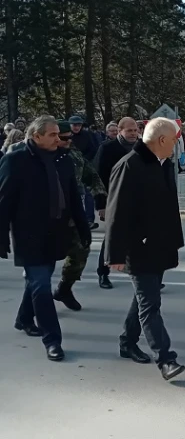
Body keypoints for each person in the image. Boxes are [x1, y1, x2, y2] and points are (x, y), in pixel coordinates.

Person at [0, 115, 91, 362]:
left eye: (57, 134)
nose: (57, 138)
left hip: (56, 232)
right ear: (36, 136)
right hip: (28, 235)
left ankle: (24, 318)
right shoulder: (15, 160)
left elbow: (73, 197)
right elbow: (4, 201)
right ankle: (53, 340)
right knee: (41, 285)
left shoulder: (63, 160)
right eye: (51, 134)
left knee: (36, 281)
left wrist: (84, 228)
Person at [104, 117, 185, 381]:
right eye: (174, 140)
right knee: (150, 303)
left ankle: (127, 342)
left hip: (160, 246)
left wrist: (175, 240)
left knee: (144, 298)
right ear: (161, 140)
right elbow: (117, 213)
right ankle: (166, 359)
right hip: (138, 248)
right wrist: (114, 254)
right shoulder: (129, 166)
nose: (176, 145)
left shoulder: (163, 163)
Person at [53, 121, 107, 312]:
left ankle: (65, 288)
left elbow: (92, 177)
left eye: (70, 137)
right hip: (46, 216)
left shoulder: (74, 156)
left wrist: (100, 199)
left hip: (72, 212)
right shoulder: (40, 158)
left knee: (81, 247)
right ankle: (28, 311)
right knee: (40, 267)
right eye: (64, 138)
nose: (68, 141)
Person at [93, 116, 139, 289]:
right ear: (120, 131)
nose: (133, 134)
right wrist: (101, 205)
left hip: (136, 201)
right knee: (112, 239)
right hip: (113, 200)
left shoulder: (141, 147)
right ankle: (103, 273)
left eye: (135, 130)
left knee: (139, 239)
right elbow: (98, 178)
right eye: (129, 130)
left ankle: (144, 275)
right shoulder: (108, 148)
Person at [69, 115, 101, 229]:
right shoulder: (67, 136)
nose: (77, 127)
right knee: (74, 193)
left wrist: (83, 160)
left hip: (85, 165)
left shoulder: (88, 135)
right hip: (70, 167)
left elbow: (94, 149)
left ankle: (89, 220)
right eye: (74, 125)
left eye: (79, 125)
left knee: (88, 194)